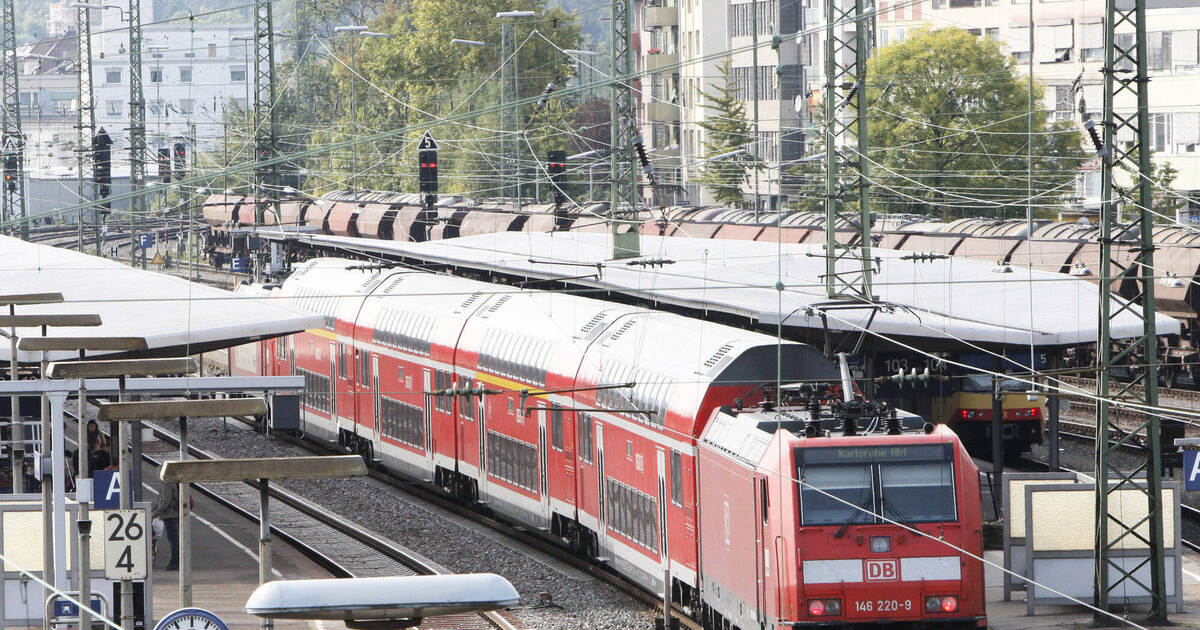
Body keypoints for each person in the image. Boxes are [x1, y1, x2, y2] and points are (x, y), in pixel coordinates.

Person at [153, 482, 180, 570]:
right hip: (175, 514)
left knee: (173, 540)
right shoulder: (174, 482)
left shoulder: (167, 484)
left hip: (170, 515)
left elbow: (165, 501)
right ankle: (177, 562)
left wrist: (155, 514)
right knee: (175, 539)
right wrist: (154, 509)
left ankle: (175, 563)